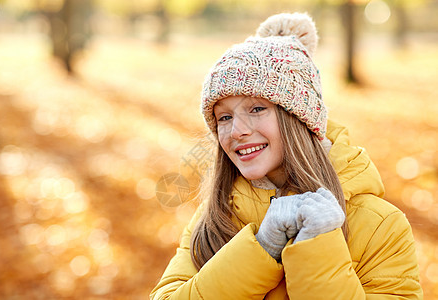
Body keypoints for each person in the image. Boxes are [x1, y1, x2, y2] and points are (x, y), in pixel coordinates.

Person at [150, 12, 423, 299]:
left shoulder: (381, 226)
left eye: (257, 109)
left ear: (299, 119)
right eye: (224, 117)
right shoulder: (215, 217)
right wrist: (261, 247)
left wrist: (317, 245)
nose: (236, 131)